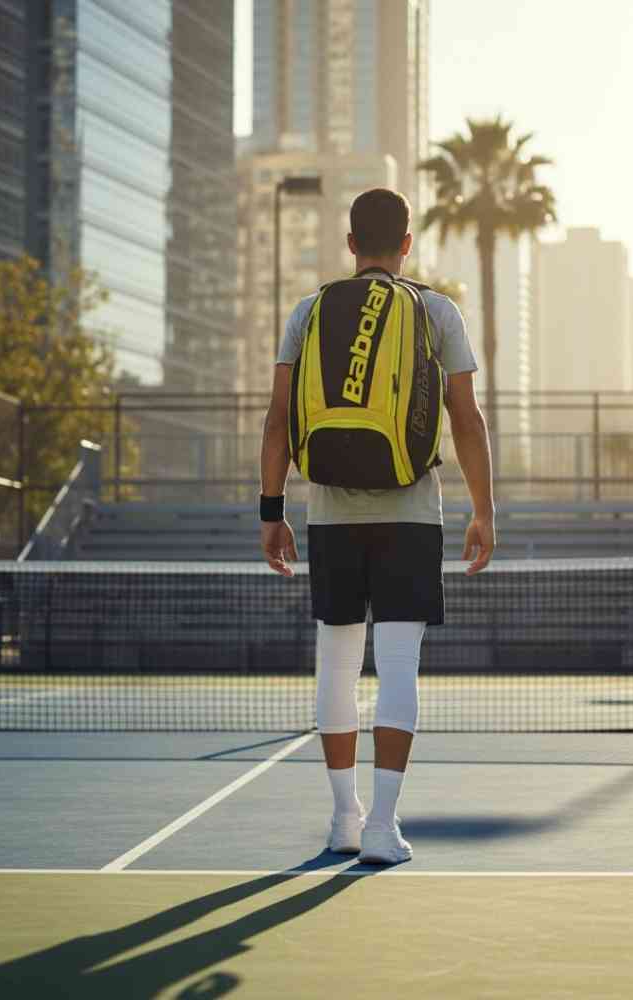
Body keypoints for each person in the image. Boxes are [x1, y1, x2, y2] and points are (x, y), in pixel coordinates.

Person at [259, 187, 495, 864]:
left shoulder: (309, 311)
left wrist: (272, 514)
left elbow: (278, 421)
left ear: (350, 244)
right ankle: (385, 829)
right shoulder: (437, 310)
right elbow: (466, 419)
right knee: (398, 666)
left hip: (328, 511)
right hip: (412, 515)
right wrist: (484, 511)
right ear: (407, 243)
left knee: (335, 666)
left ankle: (343, 819)